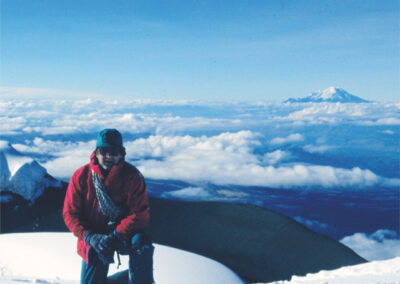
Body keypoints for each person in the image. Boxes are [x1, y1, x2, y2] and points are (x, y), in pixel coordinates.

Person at [63, 128, 154, 284]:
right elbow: (70, 214)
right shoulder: (81, 176)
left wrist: (114, 236)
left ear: (121, 153)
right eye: (104, 151)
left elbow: (140, 214)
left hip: (123, 234)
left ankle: (140, 280)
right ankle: (126, 279)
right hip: (94, 238)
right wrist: (90, 237)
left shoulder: (132, 177)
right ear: (96, 152)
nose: (109, 156)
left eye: (114, 151)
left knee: (140, 242)